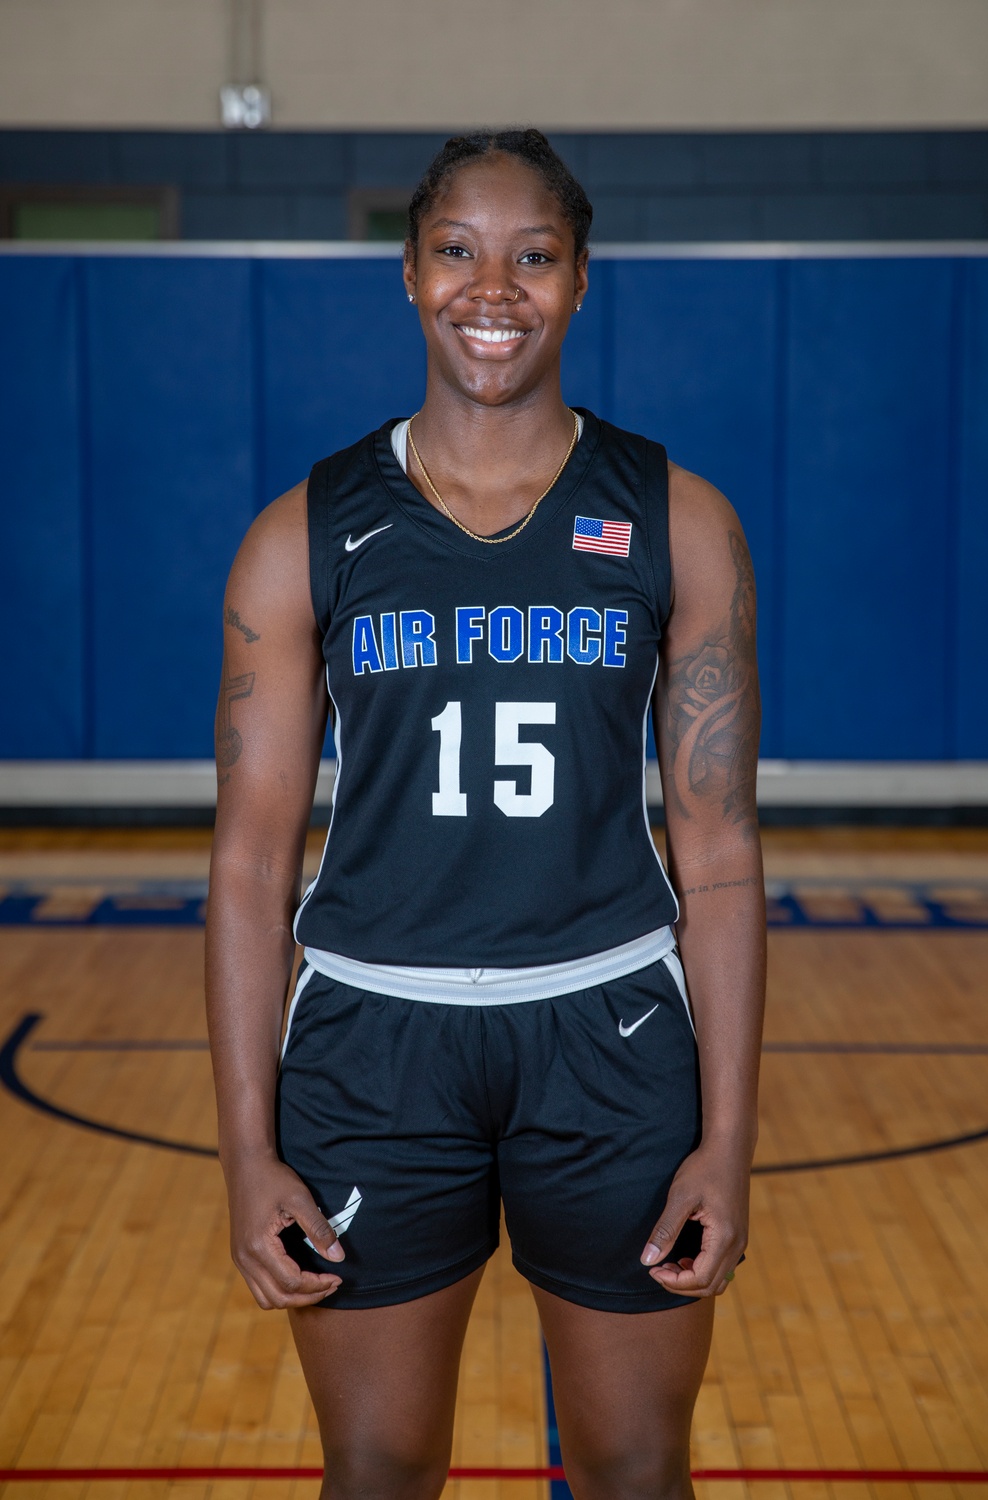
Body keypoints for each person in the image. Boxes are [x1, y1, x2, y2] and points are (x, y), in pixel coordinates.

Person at [206, 129, 765, 1500]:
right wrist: (245, 1151)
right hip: (371, 1042)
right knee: (380, 1474)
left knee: (638, 1472)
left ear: (580, 282)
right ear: (409, 274)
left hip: (612, 1030)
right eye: (457, 250)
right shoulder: (309, 531)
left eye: (534, 255)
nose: (492, 287)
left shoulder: (677, 519)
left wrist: (730, 1144)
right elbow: (248, 864)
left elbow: (726, 859)